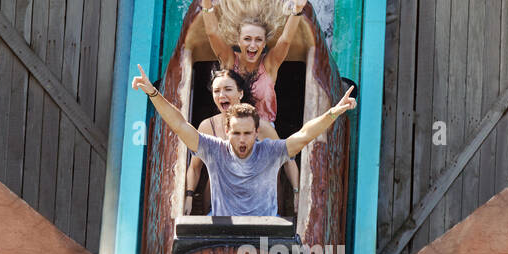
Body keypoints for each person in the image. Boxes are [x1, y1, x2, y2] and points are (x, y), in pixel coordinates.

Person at [132, 65, 356, 219]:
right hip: (222, 226)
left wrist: (334, 112)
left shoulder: (269, 150)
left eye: (247, 134)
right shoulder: (213, 148)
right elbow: (179, 124)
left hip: (264, 228)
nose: (242, 139)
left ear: (257, 132)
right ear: (226, 130)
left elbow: (305, 134)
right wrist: (152, 93)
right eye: (236, 133)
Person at [200, 0, 311, 125]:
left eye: (258, 40)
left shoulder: (269, 65)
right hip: (233, 130)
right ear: (239, 41)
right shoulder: (230, 62)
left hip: (263, 131)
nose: (253, 45)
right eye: (247, 39)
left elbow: (285, 39)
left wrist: (298, 9)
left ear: (264, 43)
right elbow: (212, 33)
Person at [185, 67, 299, 215]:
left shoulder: (261, 127)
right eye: (216, 90)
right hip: (219, 208)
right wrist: (189, 196)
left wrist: (296, 192)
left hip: (259, 209)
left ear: (240, 93)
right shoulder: (207, 126)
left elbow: (287, 160)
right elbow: (194, 167)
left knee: (263, 238)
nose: (222, 95)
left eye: (227, 89)